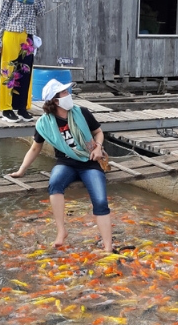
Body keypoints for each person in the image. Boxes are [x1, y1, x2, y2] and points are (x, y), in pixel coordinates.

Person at [10, 79, 113, 252]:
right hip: (66, 163)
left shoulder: (82, 112)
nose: (69, 95)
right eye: (64, 93)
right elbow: (35, 148)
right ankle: (61, 231)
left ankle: (108, 246)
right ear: (55, 101)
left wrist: (99, 147)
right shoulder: (45, 123)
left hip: (90, 162)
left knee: (101, 201)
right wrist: (21, 171)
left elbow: (98, 132)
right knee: (55, 183)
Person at [0, 0, 46, 123]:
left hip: (28, 35)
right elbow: (2, 18)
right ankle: (6, 109)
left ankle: (22, 108)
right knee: (8, 72)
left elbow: (41, 11)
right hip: (10, 34)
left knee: (25, 72)